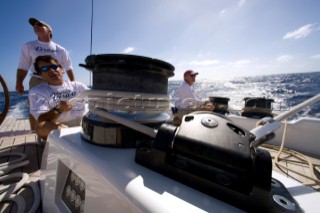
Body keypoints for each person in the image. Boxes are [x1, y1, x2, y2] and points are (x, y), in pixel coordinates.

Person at [15, 17, 76, 130]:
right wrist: (19, 82)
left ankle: (51, 131)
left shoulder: (61, 49)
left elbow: (68, 68)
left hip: (57, 82)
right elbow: (23, 66)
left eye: (39, 24)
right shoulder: (28, 46)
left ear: (49, 31)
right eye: (34, 25)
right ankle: (38, 132)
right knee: (36, 108)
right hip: (37, 80)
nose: (35, 26)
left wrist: (73, 85)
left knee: (56, 107)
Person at [28, 55, 88, 140]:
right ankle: (73, 140)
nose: (51, 70)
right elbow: (41, 119)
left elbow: (95, 100)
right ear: (40, 74)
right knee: (40, 128)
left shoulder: (78, 86)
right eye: (44, 69)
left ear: (61, 69)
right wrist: (58, 109)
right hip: (60, 127)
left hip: (84, 123)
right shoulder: (37, 91)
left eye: (54, 66)